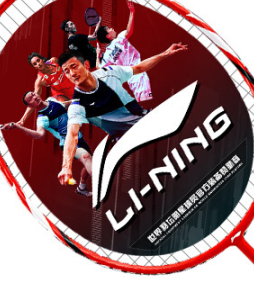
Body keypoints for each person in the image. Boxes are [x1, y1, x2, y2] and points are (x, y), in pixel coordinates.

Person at [56, 42, 187, 186]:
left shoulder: (110, 72)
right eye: (66, 71)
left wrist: (166, 53)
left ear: (86, 65)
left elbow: (138, 68)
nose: (72, 73)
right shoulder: (77, 106)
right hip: (129, 142)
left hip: (148, 121)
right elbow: (72, 134)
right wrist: (66, 167)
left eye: (74, 66)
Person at [2, 92, 93, 197]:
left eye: (33, 94)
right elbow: (39, 135)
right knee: (86, 157)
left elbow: (63, 105)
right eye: (30, 99)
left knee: (89, 161)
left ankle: (81, 188)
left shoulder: (51, 100)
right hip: (68, 143)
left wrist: (79, 100)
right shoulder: (42, 118)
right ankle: (102, 184)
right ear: (31, 105)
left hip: (79, 138)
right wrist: (18, 127)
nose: (34, 97)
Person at [97, 2, 152, 102]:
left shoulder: (108, 54)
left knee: (145, 103)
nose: (112, 29)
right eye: (109, 29)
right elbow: (129, 31)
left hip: (132, 79)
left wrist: (97, 55)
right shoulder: (119, 39)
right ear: (108, 36)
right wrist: (132, 12)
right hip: (139, 76)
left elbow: (99, 68)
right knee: (148, 103)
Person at [16, 53, 75, 127]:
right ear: (34, 67)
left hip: (72, 85)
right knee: (62, 105)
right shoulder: (41, 80)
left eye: (38, 60)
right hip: (61, 93)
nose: (38, 64)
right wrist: (22, 120)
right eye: (35, 64)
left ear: (42, 59)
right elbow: (33, 102)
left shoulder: (54, 61)